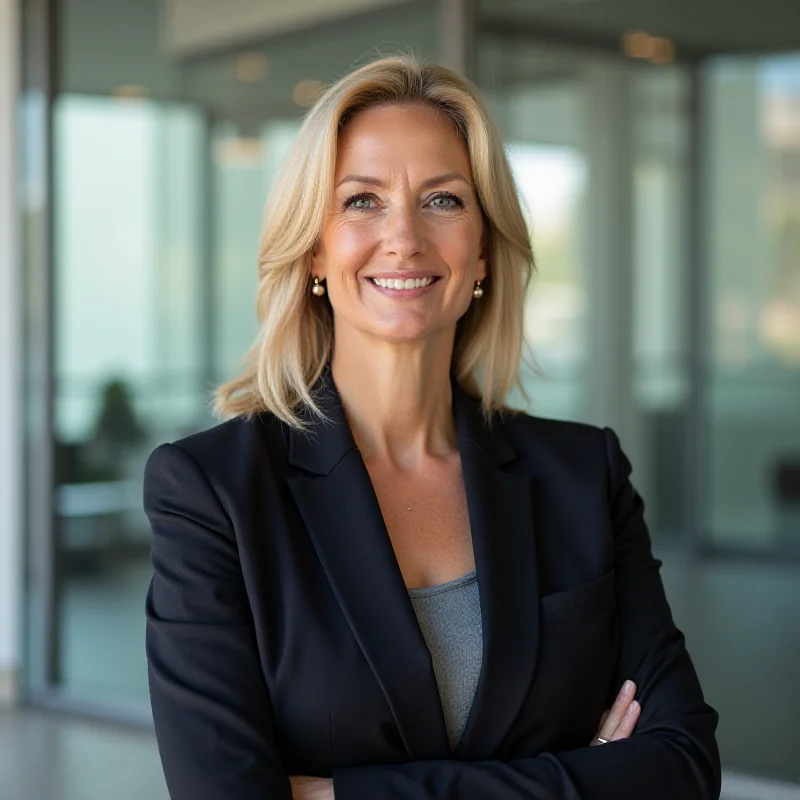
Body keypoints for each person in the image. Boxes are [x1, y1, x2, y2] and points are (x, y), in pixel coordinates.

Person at [143, 55, 721, 800]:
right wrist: (578, 775)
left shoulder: (587, 474)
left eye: (443, 200)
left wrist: (340, 794)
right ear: (315, 247)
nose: (404, 237)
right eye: (361, 201)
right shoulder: (213, 492)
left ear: (482, 249)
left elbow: (681, 768)